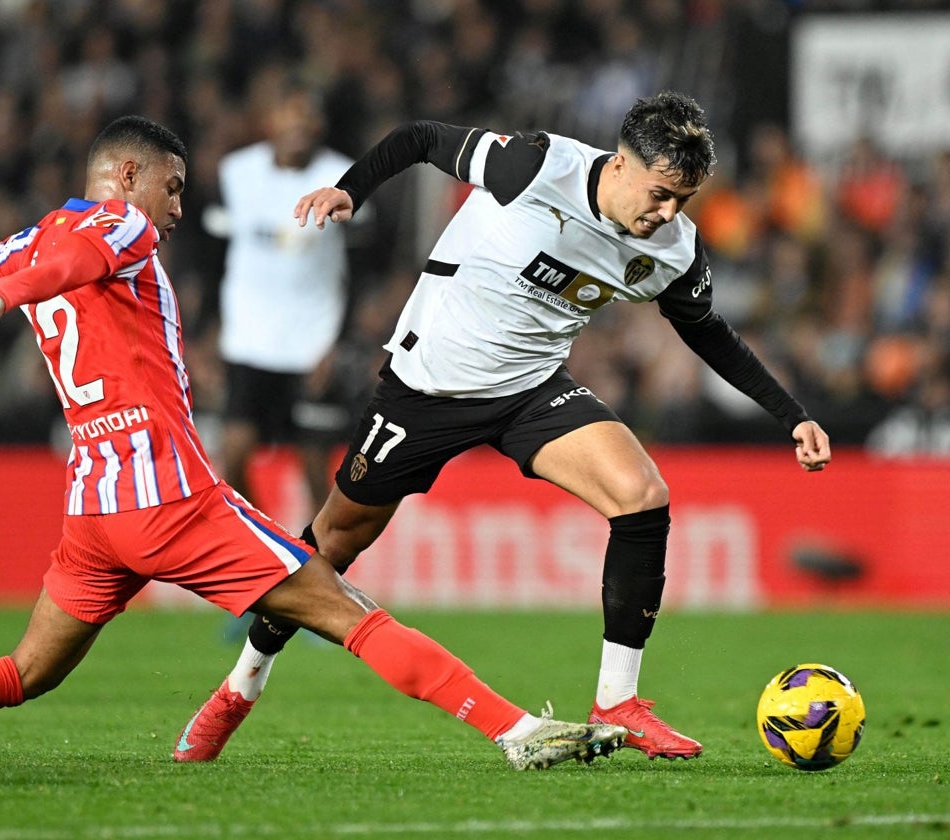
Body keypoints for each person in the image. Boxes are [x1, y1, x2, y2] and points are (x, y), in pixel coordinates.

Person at [0, 115, 626, 772]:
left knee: (24, 672)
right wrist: (1, 298)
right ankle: (516, 732)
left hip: (93, 510)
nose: (177, 210)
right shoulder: (119, 228)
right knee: (349, 614)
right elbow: (54, 273)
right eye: (172, 189)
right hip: (170, 496)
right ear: (129, 176)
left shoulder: (33, 234)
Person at [175, 92, 832, 763]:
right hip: (426, 387)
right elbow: (423, 135)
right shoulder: (537, 165)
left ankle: (619, 703)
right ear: (622, 164)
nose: (668, 213)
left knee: (642, 494)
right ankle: (238, 689)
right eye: (662, 194)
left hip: (530, 390)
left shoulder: (673, 249)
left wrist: (792, 414)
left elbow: (707, 333)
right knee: (330, 547)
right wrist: (352, 191)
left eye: (683, 201)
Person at [209, 78, 361, 519]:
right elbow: (212, 253)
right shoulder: (234, 173)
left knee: (315, 466)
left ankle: (322, 566)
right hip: (248, 340)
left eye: (306, 115)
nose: (297, 124)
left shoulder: (343, 176)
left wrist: (340, 343)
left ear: (319, 124)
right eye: (287, 114)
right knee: (233, 455)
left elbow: (364, 266)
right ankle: (267, 548)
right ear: (269, 121)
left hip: (313, 341)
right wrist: (205, 329)